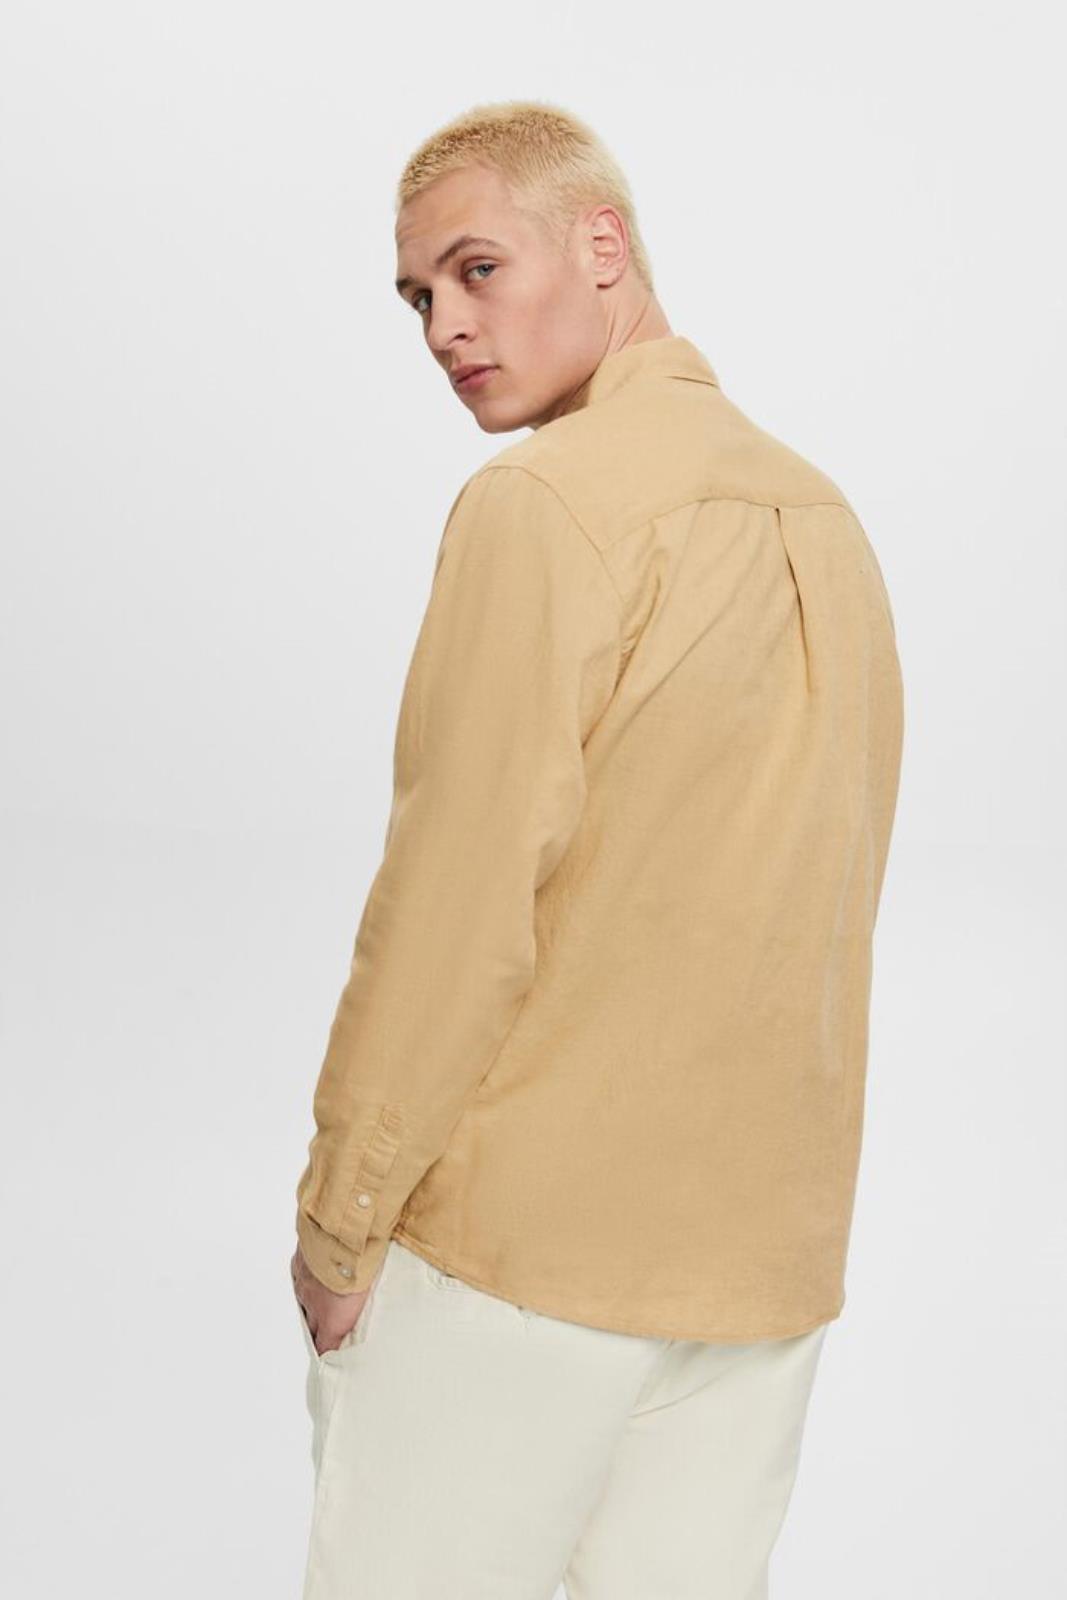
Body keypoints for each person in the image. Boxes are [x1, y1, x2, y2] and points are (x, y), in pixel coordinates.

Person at [289, 98, 905, 1600]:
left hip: (522, 1263)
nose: (444, 325)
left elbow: (455, 901)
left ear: (604, 245)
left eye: (477, 269)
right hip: (760, 1270)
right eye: (418, 298)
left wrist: (340, 1219)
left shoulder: (542, 505)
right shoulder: (828, 521)